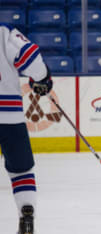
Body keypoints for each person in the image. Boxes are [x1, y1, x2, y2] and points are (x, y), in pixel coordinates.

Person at [0, 23, 53, 234]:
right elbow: (33, 62)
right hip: (9, 116)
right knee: (21, 170)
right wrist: (42, 78)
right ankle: (26, 213)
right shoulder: (3, 33)